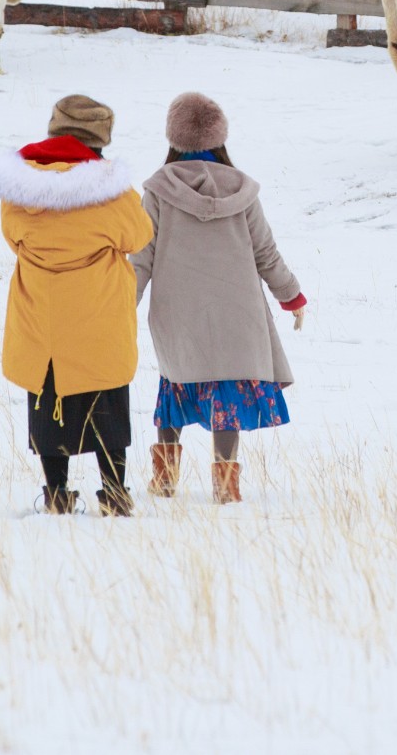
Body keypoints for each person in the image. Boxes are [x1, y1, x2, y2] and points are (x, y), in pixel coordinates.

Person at [131, 92, 307, 505]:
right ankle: (226, 486)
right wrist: (291, 296)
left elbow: (141, 257)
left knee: (175, 385)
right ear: (219, 138)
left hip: (178, 313)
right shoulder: (242, 190)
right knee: (226, 393)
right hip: (236, 312)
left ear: (173, 139)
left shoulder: (158, 190)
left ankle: (165, 479)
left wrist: (122, 305)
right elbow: (266, 252)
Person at [0, 93, 154, 517]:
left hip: (41, 318)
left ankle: (57, 493)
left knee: (48, 405)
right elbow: (139, 237)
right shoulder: (113, 192)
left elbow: (13, 239)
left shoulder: (19, 189)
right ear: (99, 140)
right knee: (108, 405)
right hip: (99, 319)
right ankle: (115, 493)